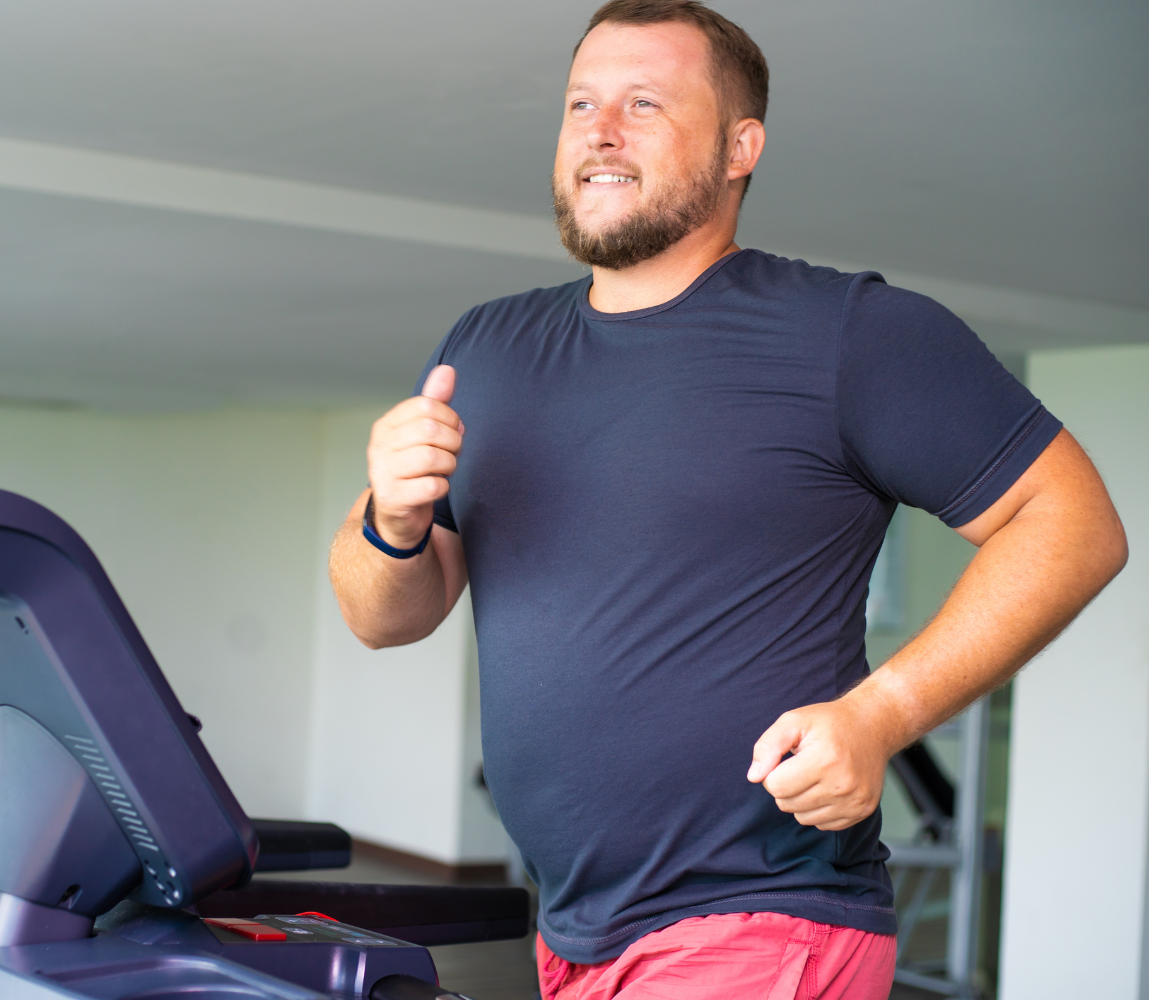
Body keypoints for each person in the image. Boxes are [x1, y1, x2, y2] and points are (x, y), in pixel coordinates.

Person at [329, 2, 1127, 997]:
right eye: (581, 102)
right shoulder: (484, 348)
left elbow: (1073, 522)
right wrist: (391, 523)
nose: (599, 128)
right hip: (573, 929)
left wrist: (879, 716)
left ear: (740, 146)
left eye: (645, 102)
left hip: (761, 913)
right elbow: (380, 614)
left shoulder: (850, 335)